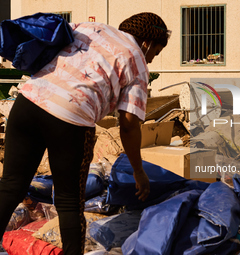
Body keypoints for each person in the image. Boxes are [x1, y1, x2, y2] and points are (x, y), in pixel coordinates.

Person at [0, 12, 170, 255]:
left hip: (28, 102)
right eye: (155, 53)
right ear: (148, 43)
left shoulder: (91, 27)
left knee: (10, 186)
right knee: (69, 202)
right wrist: (138, 170)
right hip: (71, 119)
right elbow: (130, 124)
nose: (151, 60)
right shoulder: (137, 61)